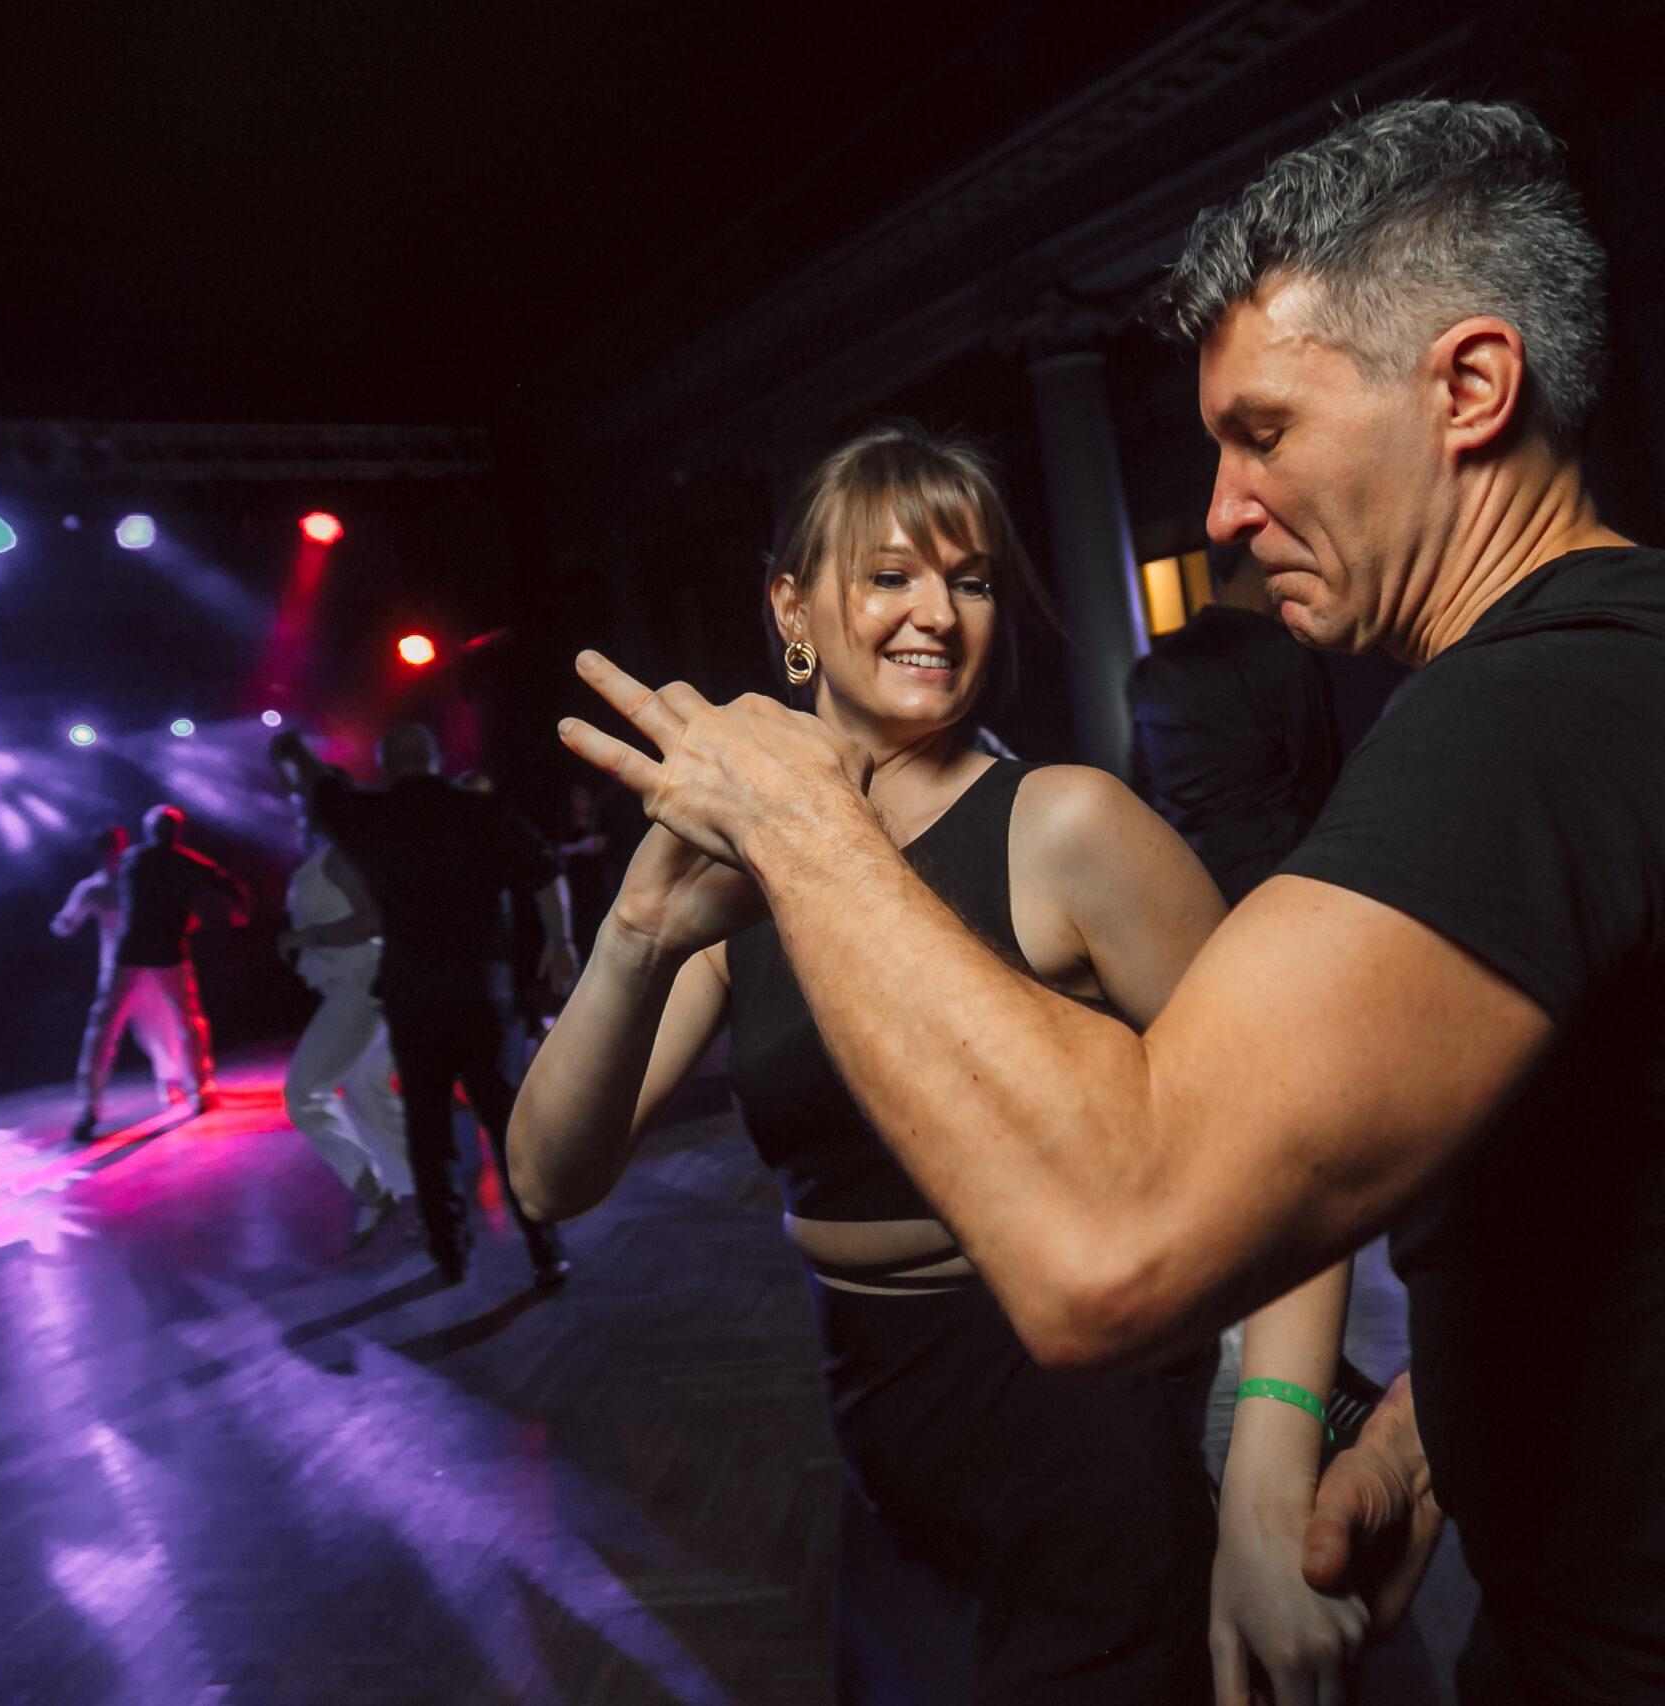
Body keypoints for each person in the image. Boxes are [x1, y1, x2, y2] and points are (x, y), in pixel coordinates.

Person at [552, 99, 1665, 1705]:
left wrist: (802, 828)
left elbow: (1109, 1249)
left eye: (1265, 432)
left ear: (1470, 388)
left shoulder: (1552, 712)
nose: (1226, 507)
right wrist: (1426, 1439)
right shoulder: (1631, 681)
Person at [513, 422, 1367, 1704]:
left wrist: (1263, 1480)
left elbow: (1295, 1148)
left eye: (970, 580)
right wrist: (635, 933)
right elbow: (547, 1177)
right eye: (889, 575)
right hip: (884, 1451)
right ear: (790, 607)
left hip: (1087, 1434)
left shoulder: (1067, 824)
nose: (938, 614)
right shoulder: (744, 864)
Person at [270, 724, 576, 1288]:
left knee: (427, 1131)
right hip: (481, 992)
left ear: (386, 764)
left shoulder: (371, 815)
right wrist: (561, 941)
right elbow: (545, 873)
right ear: (434, 758)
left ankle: (449, 1253)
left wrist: (295, 750)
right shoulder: (481, 811)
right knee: (508, 1125)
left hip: (412, 992)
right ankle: (545, 1251)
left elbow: (322, 784)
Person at [1128, 540, 1340, 903]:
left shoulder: (1154, 668)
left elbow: (1142, 787)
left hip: (1188, 886)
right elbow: (1321, 780)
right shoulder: (1283, 657)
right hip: (1278, 884)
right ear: (1263, 564)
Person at [277, 788, 412, 1246]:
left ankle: (374, 1190)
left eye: (299, 806)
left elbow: (374, 920)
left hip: (361, 988)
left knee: (304, 1094)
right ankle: (416, 1190)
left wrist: (306, 937)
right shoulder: (325, 859)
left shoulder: (339, 859)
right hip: (355, 985)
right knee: (364, 1086)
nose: (292, 813)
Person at [72, 805, 247, 1142]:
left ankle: (89, 1108)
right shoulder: (180, 861)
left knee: (106, 1029)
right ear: (176, 832)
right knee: (186, 1021)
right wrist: (237, 909)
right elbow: (226, 883)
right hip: (163, 953)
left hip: (134, 953)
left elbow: (219, 884)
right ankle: (199, 1091)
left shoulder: (135, 860)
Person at [55, 824, 182, 1131]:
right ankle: (89, 1106)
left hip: (149, 967)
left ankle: (171, 1082)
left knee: (162, 1026)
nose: (114, 853)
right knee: (102, 1034)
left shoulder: (137, 878)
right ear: (100, 852)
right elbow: (67, 922)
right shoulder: (92, 888)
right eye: (108, 848)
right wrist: (64, 923)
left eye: (117, 846)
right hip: (117, 970)